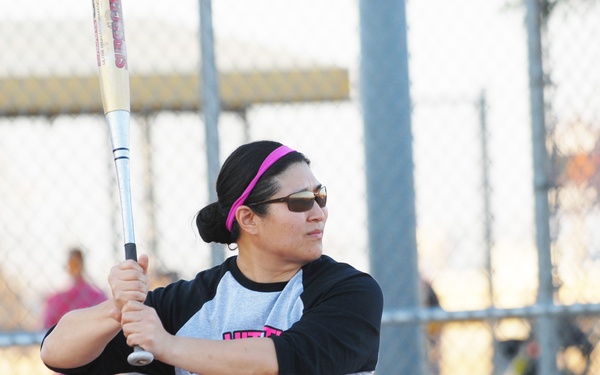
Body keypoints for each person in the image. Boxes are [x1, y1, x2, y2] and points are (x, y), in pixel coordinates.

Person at [40, 140, 384, 375]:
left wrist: (168, 346)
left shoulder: (349, 292)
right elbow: (57, 353)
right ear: (248, 219)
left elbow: (285, 359)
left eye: (319, 196)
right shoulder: (192, 302)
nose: (318, 213)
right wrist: (117, 310)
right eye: (300, 201)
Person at [42, 248, 107, 329]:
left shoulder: (95, 296)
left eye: (76, 264)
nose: (75, 268)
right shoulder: (57, 299)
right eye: (72, 264)